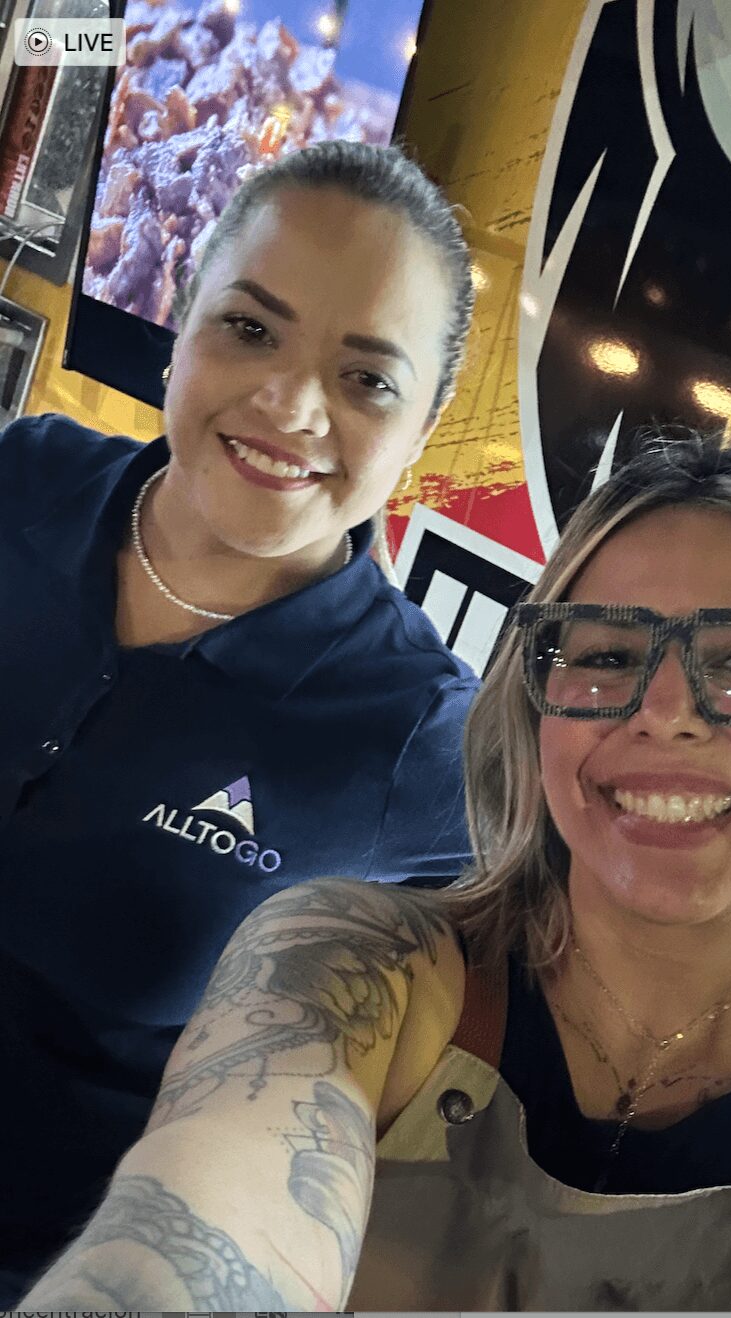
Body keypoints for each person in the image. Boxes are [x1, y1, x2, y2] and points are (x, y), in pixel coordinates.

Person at [18, 432, 731, 1312]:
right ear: (534, 709)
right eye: (608, 652)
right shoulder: (349, 974)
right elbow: (197, 1228)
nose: (667, 711)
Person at [0, 140, 482, 1304]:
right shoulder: (24, 475)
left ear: (424, 425)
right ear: (182, 313)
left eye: (367, 380)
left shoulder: (420, 736)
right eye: (251, 328)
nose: (290, 404)